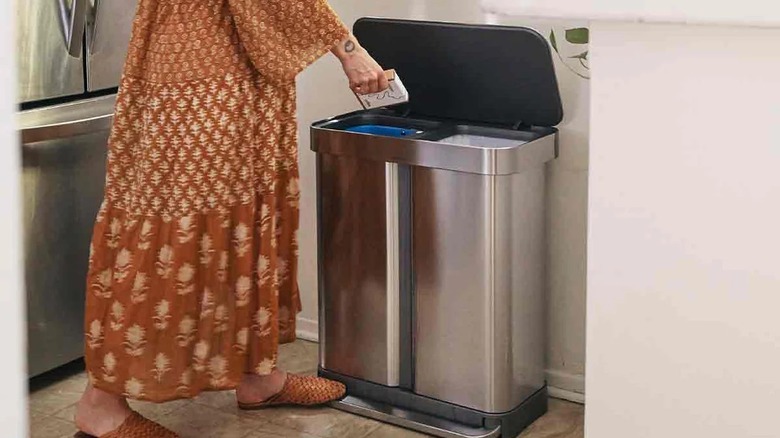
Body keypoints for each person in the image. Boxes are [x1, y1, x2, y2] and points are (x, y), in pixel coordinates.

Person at [73, 0, 388, 436]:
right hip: (196, 68)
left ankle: (256, 375)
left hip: (243, 68)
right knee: (172, 226)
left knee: (246, 218)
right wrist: (349, 50)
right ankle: (101, 403)